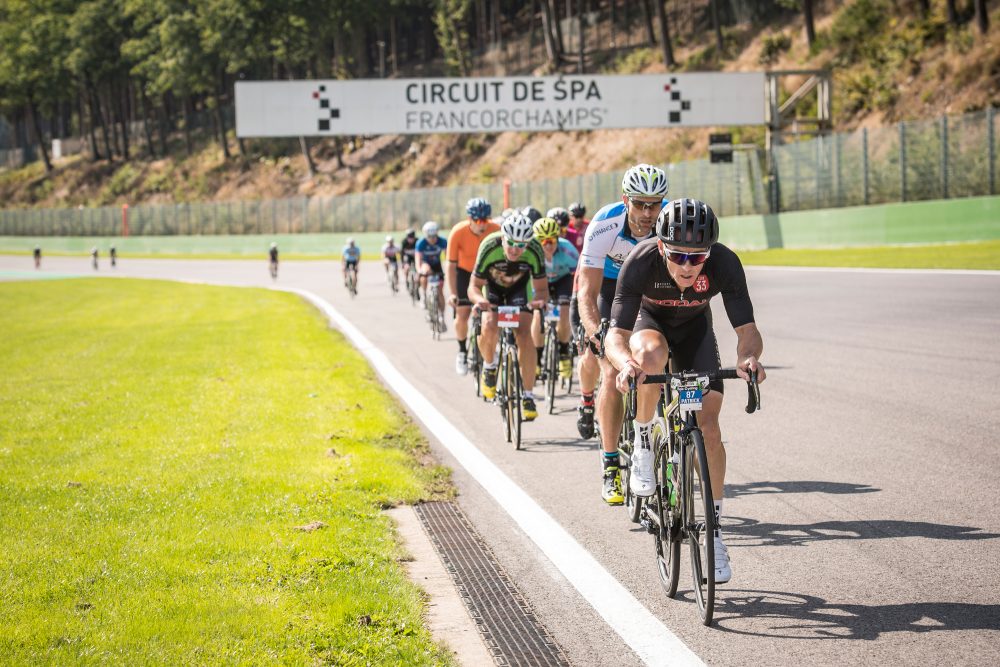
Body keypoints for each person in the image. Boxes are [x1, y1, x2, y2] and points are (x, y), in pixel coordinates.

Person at [606, 197, 766, 585]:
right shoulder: (641, 261)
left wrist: (748, 360)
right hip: (651, 325)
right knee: (649, 355)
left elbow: (747, 332)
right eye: (678, 256)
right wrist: (625, 364)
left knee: (708, 426)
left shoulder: (725, 263)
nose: (687, 266)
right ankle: (644, 440)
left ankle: (713, 532)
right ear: (661, 247)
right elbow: (616, 335)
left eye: (697, 258)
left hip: (695, 330)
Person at [577, 163, 668, 505]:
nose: (648, 212)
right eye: (640, 204)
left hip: (647, 289)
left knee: (662, 357)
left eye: (655, 203)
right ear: (625, 200)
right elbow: (586, 290)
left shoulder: (667, 223)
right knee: (612, 368)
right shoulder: (604, 225)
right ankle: (611, 464)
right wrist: (594, 331)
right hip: (611, 288)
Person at [468, 213, 549, 421]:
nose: (515, 249)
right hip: (493, 291)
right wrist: (479, 300)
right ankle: (489, 366)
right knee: (489, 323)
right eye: (511, 243)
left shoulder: (535, 249)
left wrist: (539, 302)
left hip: (518, 292)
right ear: (502, 238)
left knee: (525, 335)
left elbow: (541, 289)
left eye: (521, 245)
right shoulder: (489, 246)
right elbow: (474, 286)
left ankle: (528, 395)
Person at [447, 197, 500, 375]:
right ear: (470, 219)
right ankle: (462, 351)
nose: (482, 224)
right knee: (462, 313)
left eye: (486, 220)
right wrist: (453, 293)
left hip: (488, 274)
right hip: (465, 273)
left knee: (494, 312)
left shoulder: (496, 230)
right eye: (478, 221)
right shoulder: (458, 232)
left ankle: (492, 346)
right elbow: (451, 266)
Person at [530, 217, 579, 380]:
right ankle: (537, 358)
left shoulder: (567, 250)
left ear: (558, 238)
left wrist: (578, 296)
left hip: (562, 281)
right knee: (538, 314)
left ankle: (564, 351)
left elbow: (580, 275)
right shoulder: (530, 251)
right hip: (539, 282)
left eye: (551, 240)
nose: (548, 245)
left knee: (565, 310)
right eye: (543, 242)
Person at [416, 221, 448, 329]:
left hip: (437, 265)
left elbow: (448, 257)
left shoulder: (442, 241)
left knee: (440, 291)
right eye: (430, 237)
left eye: (435, 236)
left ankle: (442, 317)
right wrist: (420, 270)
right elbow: (418, 260)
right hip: (426, 264)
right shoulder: (421, 243)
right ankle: (424, 294)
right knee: (425, 270)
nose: (433, 239)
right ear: (426, 235)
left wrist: (449, 269)